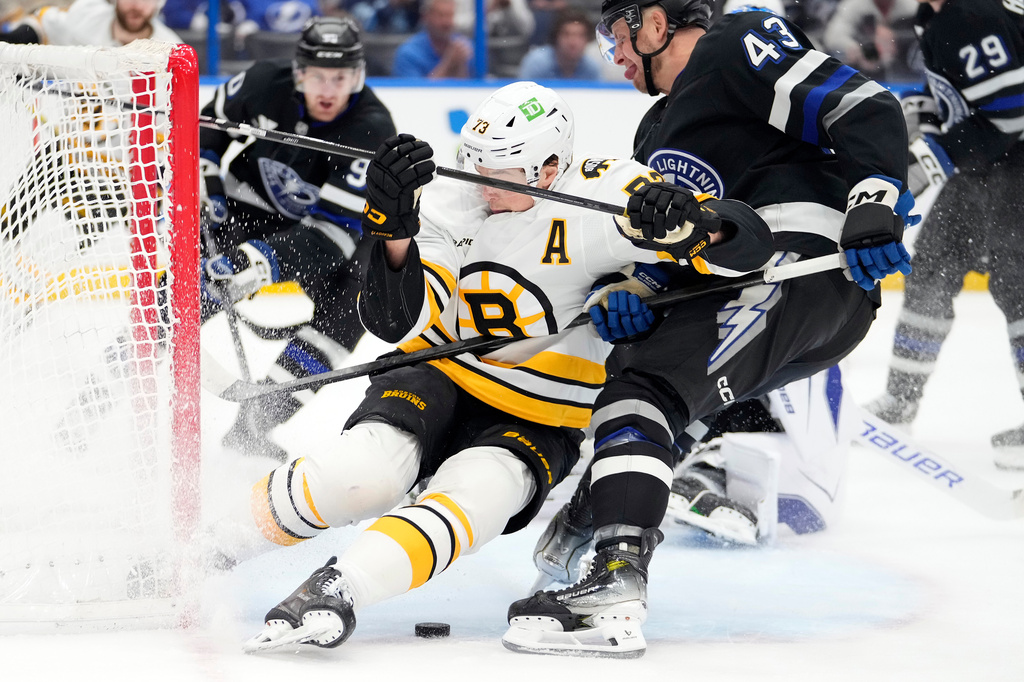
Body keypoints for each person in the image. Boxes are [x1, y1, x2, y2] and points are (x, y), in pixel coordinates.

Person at [227, 80, 774, 652]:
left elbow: (747, 249)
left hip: (543, 413)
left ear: (550, 169)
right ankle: (207, 545)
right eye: (476, 164)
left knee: (479, 495)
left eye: (501, 172)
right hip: (437, 376)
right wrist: (393, 237)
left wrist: (697, 223)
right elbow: (394, 323)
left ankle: (339, 589)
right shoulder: (452, 197)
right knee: (360, 475)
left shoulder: (606, 194)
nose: (483, 183)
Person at [501, 0, 916, 658]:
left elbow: (864, 105)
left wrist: (873, 198)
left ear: (655, 22)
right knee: (646, 387)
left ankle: (614, 575)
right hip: (754, 287)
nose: (616, 55)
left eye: (617, 36)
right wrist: (633, 293)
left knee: (644, 392)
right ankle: (599, 525)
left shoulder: (735, 40)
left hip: (799, 266)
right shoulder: (654, 133)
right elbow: (668, 258)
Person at [198, 16, 396, 461]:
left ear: (357, 76)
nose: (328, 90)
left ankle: (254, 425)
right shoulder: (264, 82)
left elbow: (332, 235)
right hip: (246, 207)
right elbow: (207, 124)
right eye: (318, 77)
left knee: (352, 309)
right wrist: (204, 173)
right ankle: (108, 382)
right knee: (175, 299)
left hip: (333, 236)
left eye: (340, 78)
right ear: (299, 73)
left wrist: (256, 262)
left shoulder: (372, 129)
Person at [865, 0, 1024, 471]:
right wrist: (927, 113)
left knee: (1018, 286)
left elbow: (1011, 113)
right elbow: (967, 98)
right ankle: (900, 400)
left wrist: (931, 157)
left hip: (1016, 167)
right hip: (986, 167)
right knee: (933, 269)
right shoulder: (939, 15)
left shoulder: (970, 13)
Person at [0, 0, 181, 46]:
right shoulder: (87, 16)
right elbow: (44, 22)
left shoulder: (171, 50)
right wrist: (21, 36)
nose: (136, 5)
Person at [390, 0, 474, 78]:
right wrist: (449, 63)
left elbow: (471, 86)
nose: (446, 22)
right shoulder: (409, 54)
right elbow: (415, 89)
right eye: (441, 15)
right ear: (425, 17)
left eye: (450, 15)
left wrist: (460, 64)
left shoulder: (466, 47)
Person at [518, 7, 602, 80]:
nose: (573, 42)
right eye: (566, 34)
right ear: (556, 37)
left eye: (580, 36)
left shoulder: (591, 68)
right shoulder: (537, 63)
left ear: (588, 39)